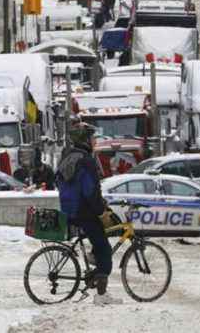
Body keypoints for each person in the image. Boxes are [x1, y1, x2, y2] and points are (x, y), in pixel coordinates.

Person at [56, 121, 122, 305]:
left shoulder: (67, 157)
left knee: (99, 242)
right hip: (84, 211)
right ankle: (101, 295)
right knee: (105, 250)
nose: (94, 141)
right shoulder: (85, 160)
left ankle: (94, 261)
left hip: (71, 209)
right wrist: (101, 210)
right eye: (92, 138)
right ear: (85, 139)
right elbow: (90, 190)